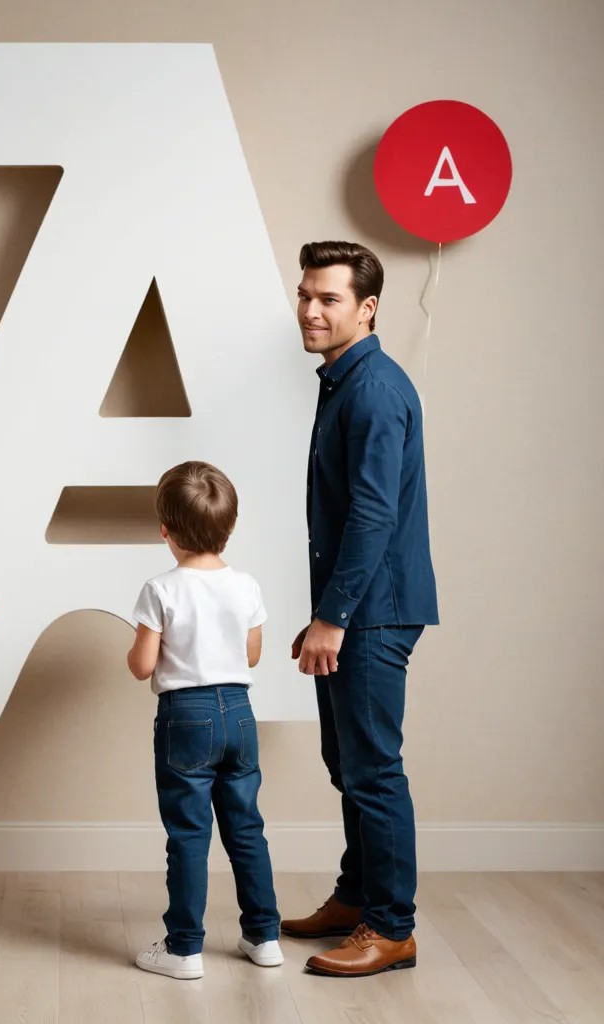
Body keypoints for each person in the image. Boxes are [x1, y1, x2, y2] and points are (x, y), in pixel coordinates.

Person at [284, 241, 438, 977]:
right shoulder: (344, 381)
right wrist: (327, 612)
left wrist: (334, 617)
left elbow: (373, 516)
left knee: (372, 770)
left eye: (329, 299)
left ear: (367, 307)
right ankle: (356, 897)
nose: (310, 310)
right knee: (346, 762)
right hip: (357, 606)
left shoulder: (373, 390)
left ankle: (392, 927)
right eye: (305, 294)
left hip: (374, 611)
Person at [127, 461, 281, 980]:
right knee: (247, 829)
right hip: (240, 713)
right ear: (230, 527)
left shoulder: (161, 589)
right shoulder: (247, 586)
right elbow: (251, 654)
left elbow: (142, 666)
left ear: (165, 530)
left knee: (189, 834)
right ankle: (264, 937)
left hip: (186, 717)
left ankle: (184, 948)